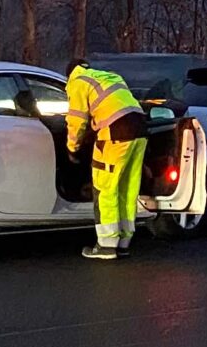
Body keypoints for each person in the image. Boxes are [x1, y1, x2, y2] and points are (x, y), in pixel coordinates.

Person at [63, 56, 148, 260]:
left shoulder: (77, 83)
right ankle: (124, 242)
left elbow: (76, 121)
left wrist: (72, 149)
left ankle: (107, 245)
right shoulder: (109, 76)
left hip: (115, 133)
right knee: (127, 187)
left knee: (104, 187)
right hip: (140, 130)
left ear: (70, 73)